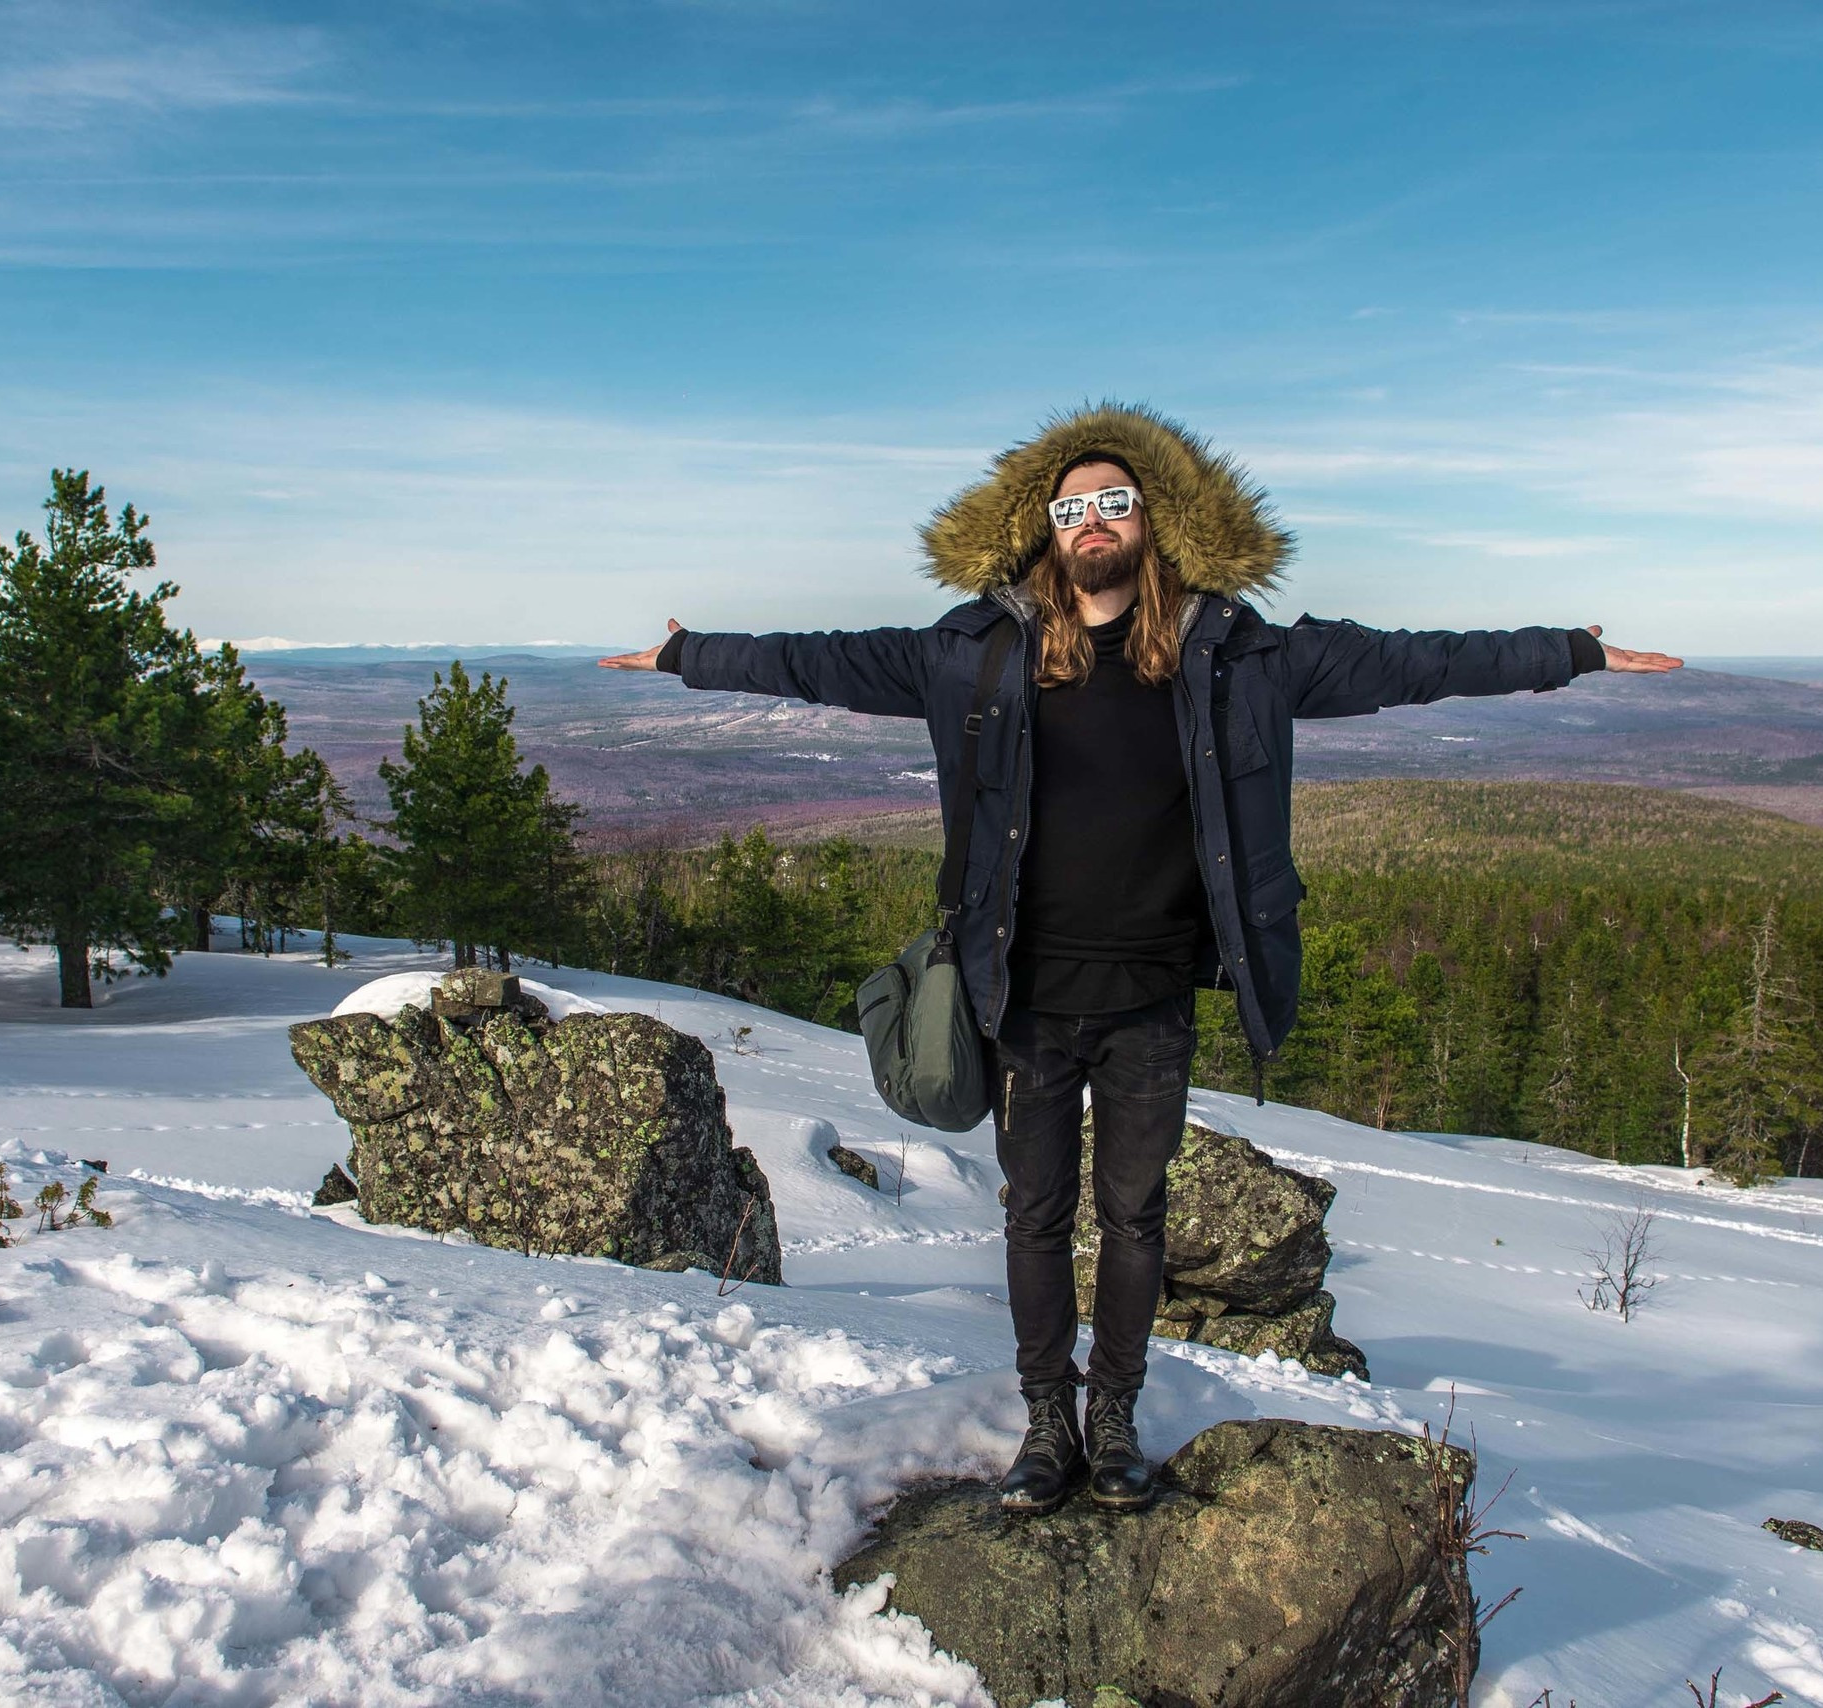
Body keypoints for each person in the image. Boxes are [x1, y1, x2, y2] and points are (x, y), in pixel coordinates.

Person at [601, 405, 1680, 1514]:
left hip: (1152, 993)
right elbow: (817, 661)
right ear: (1043, 530)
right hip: (1022, 990)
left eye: (1113, 501)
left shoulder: (1235, 653)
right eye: (1072, 507)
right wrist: (688, 655)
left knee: (1134, 1215)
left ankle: (1113, 1417)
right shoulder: (978, 649)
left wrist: (1573, 651)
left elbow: (1413, 661)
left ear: (1152, 520)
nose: (1093, 522)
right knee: (1031, 1215)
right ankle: (1045, 1421)